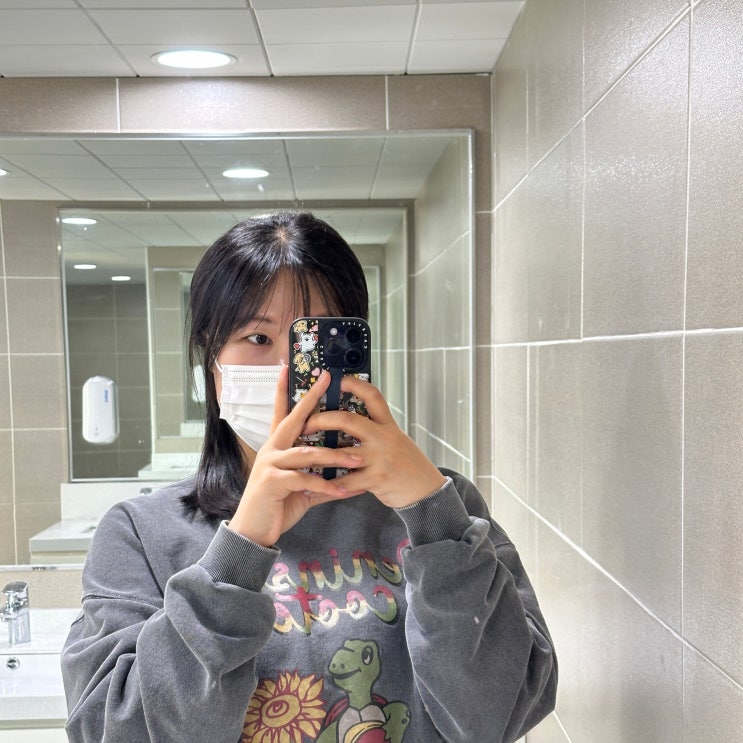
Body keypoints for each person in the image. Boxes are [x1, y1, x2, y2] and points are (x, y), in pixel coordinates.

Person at [61, 211, 557, 743]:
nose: (288, 374)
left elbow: (501, 716)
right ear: (212, 361)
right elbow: (111, 731)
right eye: (257, 336)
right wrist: (238, 554)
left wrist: (433, 517)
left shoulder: (443, 508)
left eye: (316, 344)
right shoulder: (140, 533)